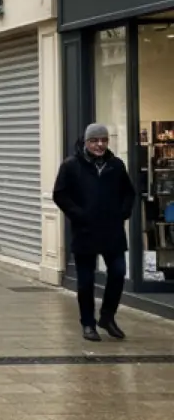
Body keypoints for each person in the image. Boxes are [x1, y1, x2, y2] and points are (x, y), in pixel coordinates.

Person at [53, 123, 136, 342]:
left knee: (118, 273)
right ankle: (88, 324)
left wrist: (122, 213)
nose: (100, 145)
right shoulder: (71, 166)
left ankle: (107, 317)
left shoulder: (116, 165)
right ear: (86, 142)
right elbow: (60, 195)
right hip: (85, 232)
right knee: (85, 281)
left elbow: (129, 193)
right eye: (95, 141)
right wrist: (79, 215)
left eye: (104, 140)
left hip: (112, 231)